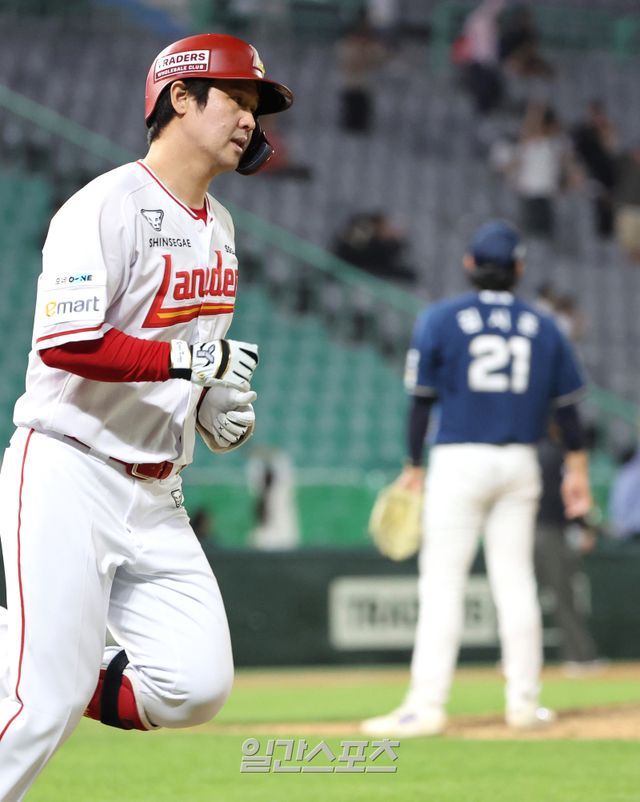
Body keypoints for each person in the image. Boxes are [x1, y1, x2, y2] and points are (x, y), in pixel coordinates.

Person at [0, 33, 292, 800]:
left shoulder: (220, 228)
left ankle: (32, 648)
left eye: (256, 106)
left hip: (157, 492)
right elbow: (68, 344)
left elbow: (188, 360)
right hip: (70, 468)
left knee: (194, 685)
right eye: (237, 98)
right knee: (44, 702)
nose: (250, 119)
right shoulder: (105, 205)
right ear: (179, 98)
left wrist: (207, 405)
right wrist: (191, 367)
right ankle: (43, 660)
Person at [361, 220, 592, 737]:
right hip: (520, 463)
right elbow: (570, 412)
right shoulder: (544, 325)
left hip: (459, 460)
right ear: (519, 269)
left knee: (442, 584)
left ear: (469, 264)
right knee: (517, 582)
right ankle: (524, 704)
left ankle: (426, 706)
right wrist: (577, 469)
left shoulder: (441, 318)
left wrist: (413, 465)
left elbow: (421, 402)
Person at [534, 432, 601, 673]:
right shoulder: (559, 454)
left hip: (523, 530)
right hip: (549, 531)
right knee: (564, 596)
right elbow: (568, 496)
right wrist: (584, 527)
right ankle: (579, 658)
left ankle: (517, 659)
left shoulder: (530, 450)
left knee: (520, 595)